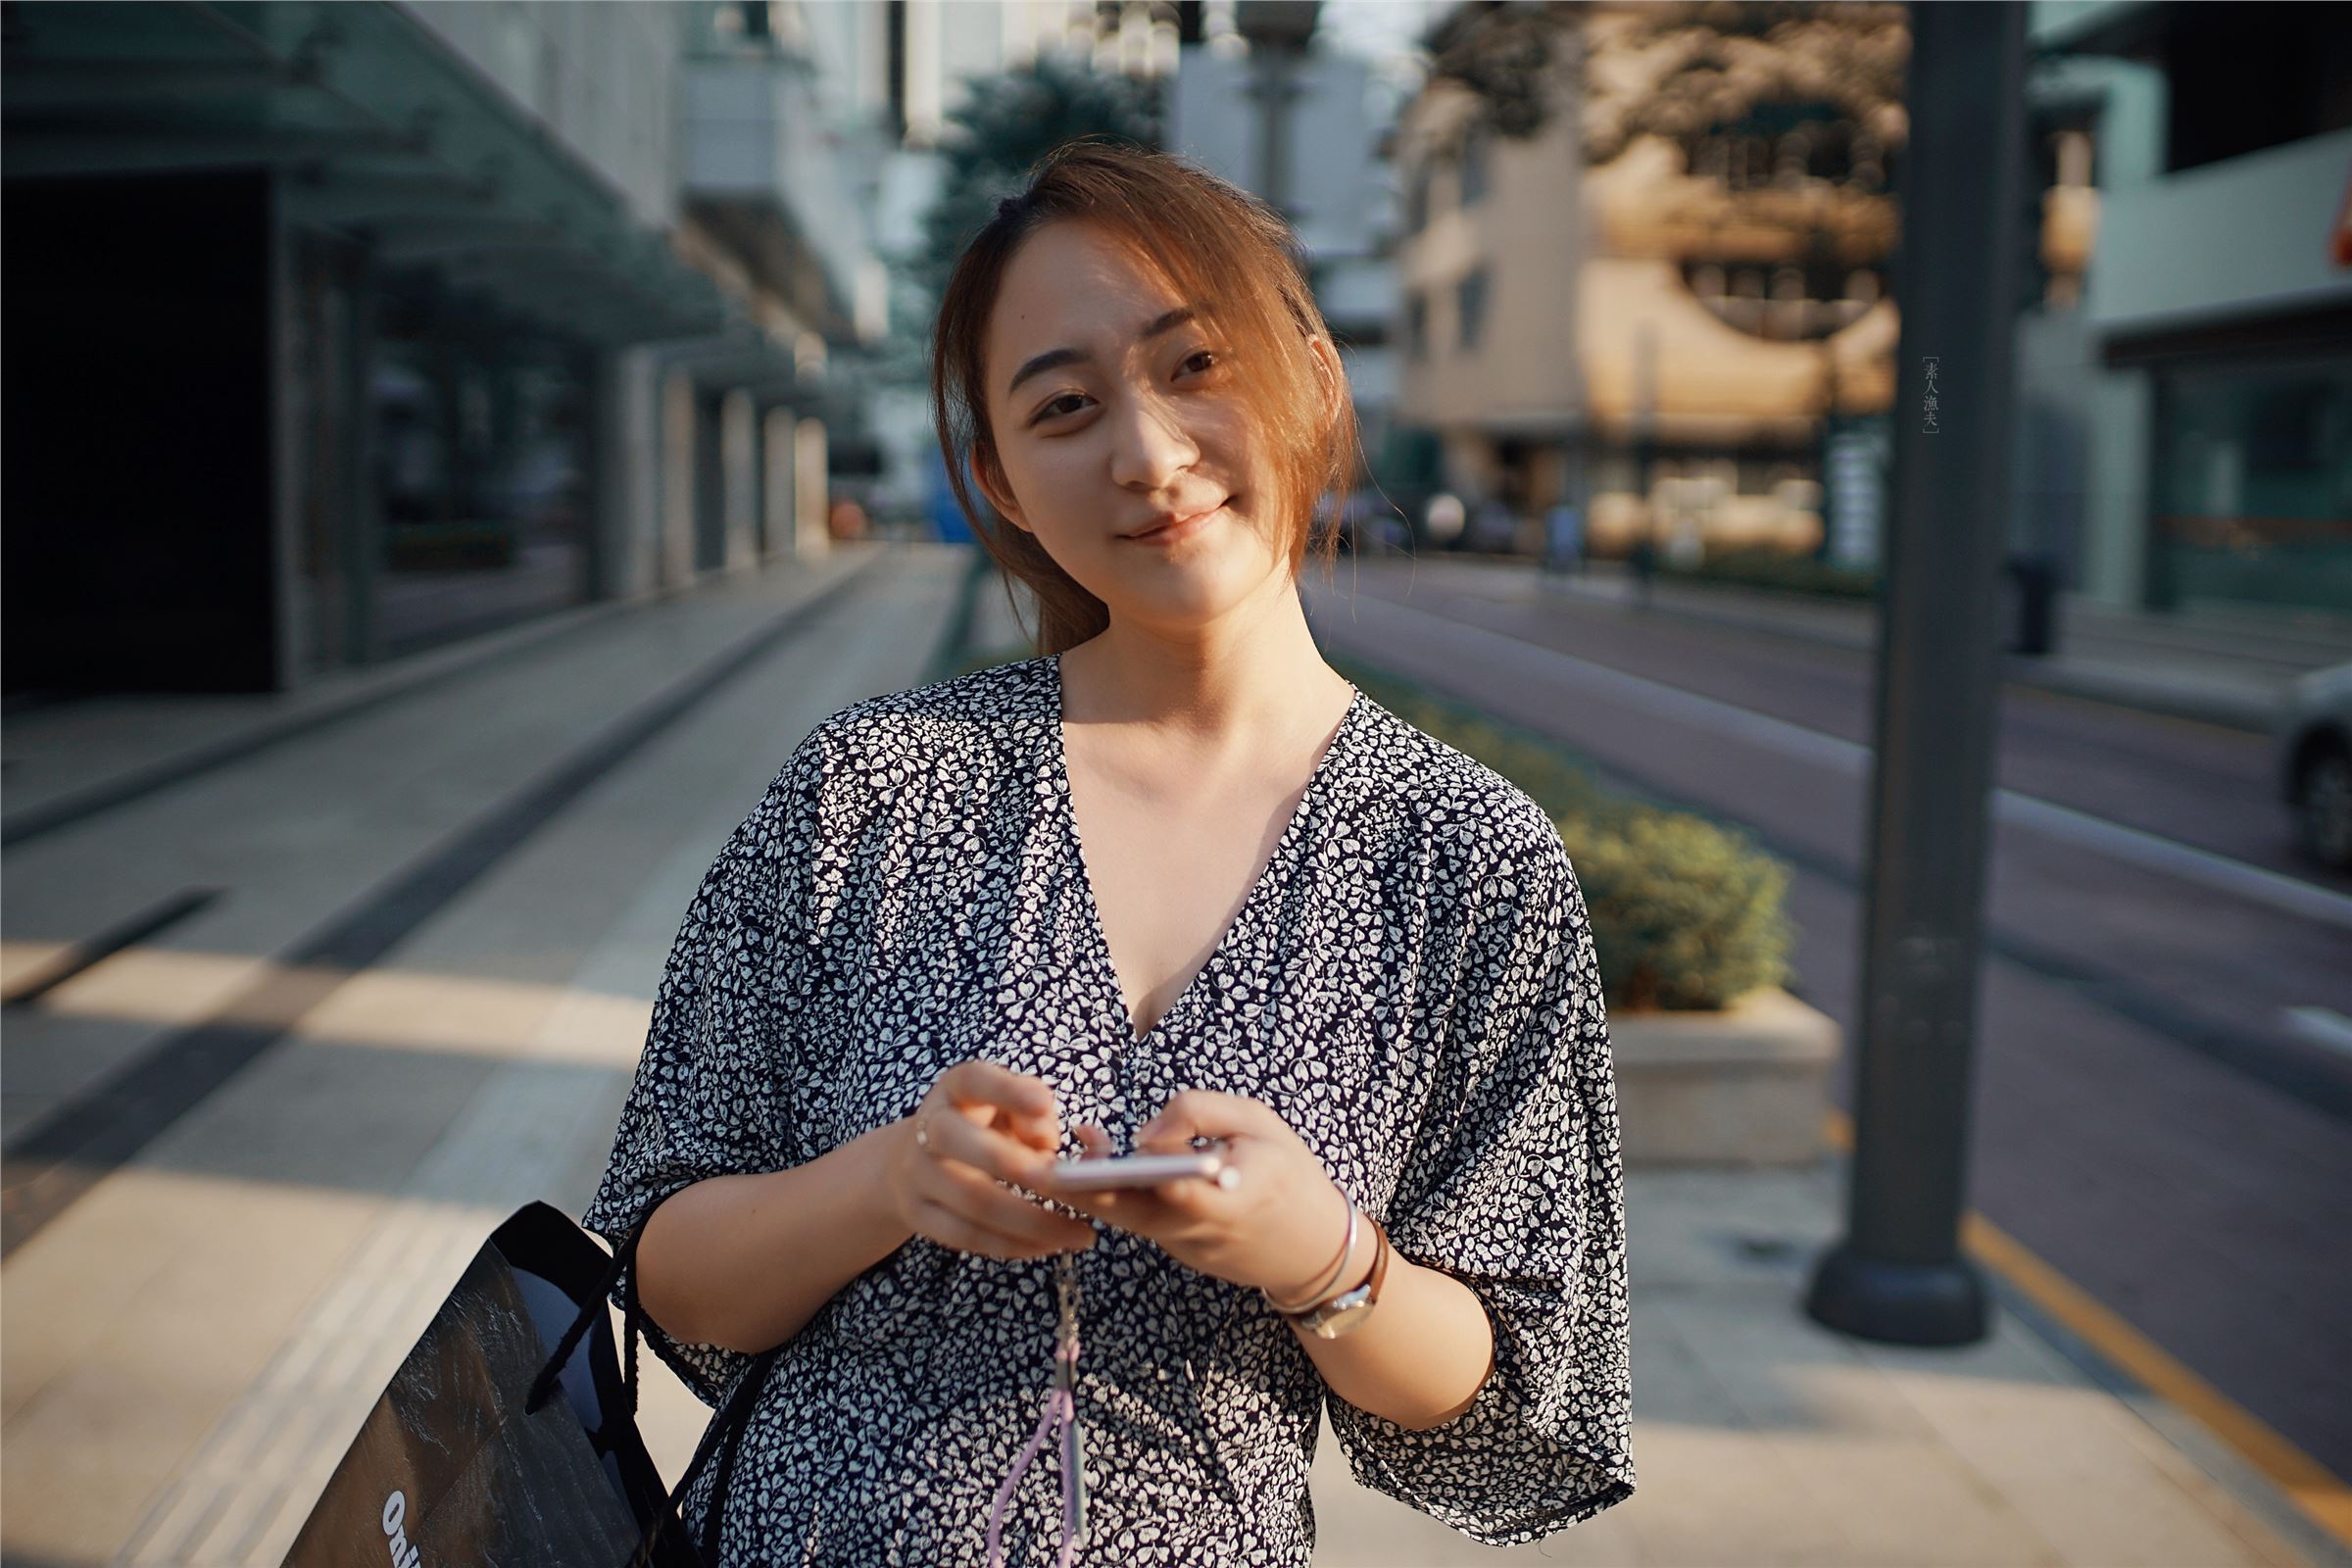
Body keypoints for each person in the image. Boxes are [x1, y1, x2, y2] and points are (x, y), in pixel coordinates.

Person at [581, 139, 1635, 1567]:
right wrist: (890, 1184)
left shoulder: (1464, 858)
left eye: (1195, 366)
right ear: (1001, 479)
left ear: (1314, 378)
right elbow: (667, 1267)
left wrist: (1322, 1257)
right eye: (1066, 406)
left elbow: (1506, 1386)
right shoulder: (872, 790)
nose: (1147, 455)